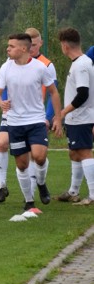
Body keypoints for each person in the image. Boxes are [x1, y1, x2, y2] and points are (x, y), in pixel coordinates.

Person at [0, 33, 62, 212]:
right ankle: (29, 201)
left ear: (23, 48)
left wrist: (58, 119)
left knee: (39, 156)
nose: (8, 49)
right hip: (15, 123)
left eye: (11, 46)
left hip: (36, 120)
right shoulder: (5, 68)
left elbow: (54, 92)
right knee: (22, 164)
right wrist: (1, 103)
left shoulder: (40, 68)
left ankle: (41, 183)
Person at [56, 27, 94, 205]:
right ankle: (73, 191)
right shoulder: (82, 62)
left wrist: (63, 112)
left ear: (65, 46)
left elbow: (83, 94)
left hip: (81, 117)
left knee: (85, 152)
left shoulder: (80, 65)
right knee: (74, 153)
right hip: (77, 118)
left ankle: (92, 196)